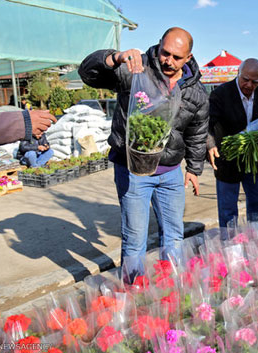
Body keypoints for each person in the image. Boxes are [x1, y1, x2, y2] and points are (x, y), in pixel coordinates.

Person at [78, 27, 209, 282]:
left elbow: (197, 132)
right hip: (133, 170)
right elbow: (88, 73)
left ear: (189, 57)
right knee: (135, 237)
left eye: (176, 57)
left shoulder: (196, 91)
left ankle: (169, 285)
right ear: (159, 45)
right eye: (165, 52)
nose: (168, 61)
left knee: (173, 233)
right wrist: (113, 58)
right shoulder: (136, 70)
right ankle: (134, 291)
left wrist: (193, 169)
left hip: (170, 173)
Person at [207, 59, 258, 237]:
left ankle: (257, 243)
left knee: (257, 203)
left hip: (253, 158)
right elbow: (207, 125)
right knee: (227, 209)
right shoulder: (220, 94)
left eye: (255, 82)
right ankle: (230, 245)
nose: (249, 85)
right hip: (227, 158)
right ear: (238, 73)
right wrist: (210, 145)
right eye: (245, 79)